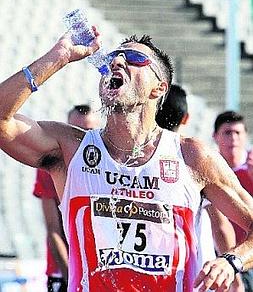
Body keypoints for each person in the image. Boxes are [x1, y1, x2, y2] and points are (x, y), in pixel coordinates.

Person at [1, 28, 253, 292]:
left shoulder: (191, 157)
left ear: (159, 88)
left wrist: (231, 261)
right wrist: (59, 56)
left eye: (133, 58)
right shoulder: (71, 149)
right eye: (114, 57)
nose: (117, 62)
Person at [156, 84, 244, 291]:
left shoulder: (130, 161)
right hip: (192, 278)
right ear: (186, 118)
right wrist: (234, 276)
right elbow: (220, 225)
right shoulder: (193, 161)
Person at [33, 104, 100, 292]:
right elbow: (54, 230)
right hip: (64, 272)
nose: (83, 137)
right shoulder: (50, 168)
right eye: (76, 130)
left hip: (102, 272)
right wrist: (74, 277)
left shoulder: (108, 165)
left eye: (89, 131)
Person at [213, 111, 253, 292]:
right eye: (227, 133)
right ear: (215, 137)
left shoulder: (251, 169)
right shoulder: (207, 170)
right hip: (219, 257)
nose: (233, 139)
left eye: (238, 133)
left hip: (249, 255)